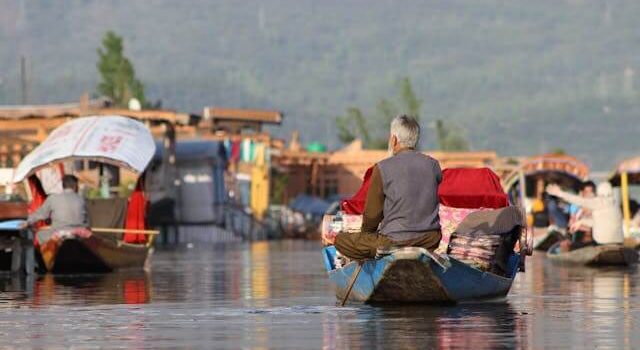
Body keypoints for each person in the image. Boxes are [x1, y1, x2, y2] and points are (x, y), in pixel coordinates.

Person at [334, 115, 442, 260]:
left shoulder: (382, 167)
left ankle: (382, 254)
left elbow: (372, 216)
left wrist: (367, 235)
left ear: (394, 140)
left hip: (394, 241)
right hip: (429, 240)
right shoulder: (433, 165)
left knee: (341, 240)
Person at [546, 182, 623, 251]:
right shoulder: (615, 205)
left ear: (598, 193)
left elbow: (580, 201)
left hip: (602, 244)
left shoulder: (599, 201)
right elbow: (598, 223)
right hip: (619, 243)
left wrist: (560, 193)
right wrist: (581, 222)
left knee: (567, 246)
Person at [23, 175, 89, 242]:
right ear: (75, 186)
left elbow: (41, 214)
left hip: (59, 234)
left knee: (39, 235)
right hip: (79, 235)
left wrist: (27, 222)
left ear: (63, 186)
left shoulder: (53, 198)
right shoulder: (82, 199)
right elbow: (88, 221)